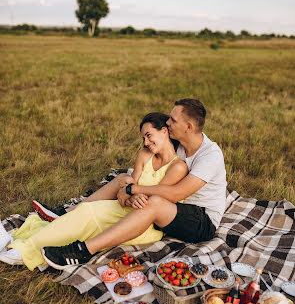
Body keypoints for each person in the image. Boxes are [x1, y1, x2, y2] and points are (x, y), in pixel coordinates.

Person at [40, 98, 227, 270]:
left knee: (152, 202)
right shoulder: (177, 143)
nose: (168, 123)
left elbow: (176, 193)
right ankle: (67, 212)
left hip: (201, 220)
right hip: (175, 206)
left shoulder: (210, 155)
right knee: (123, 178)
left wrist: (134, 189)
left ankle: (82, 251)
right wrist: (129, 189)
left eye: (173, 120)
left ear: (188, 127)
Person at [0, 112, 188, 269]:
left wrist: (130, 193)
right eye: (143, 137)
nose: (146, 142)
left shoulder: (177, 167)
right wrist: (129, 194)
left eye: (149, 135)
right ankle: (24, 241)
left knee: (87, 212)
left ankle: (25, 251)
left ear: (164, 131)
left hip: (144, 224)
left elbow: (153, 200)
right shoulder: (144, 155)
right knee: (83, 214)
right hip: (125, 207)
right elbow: (128, 188)